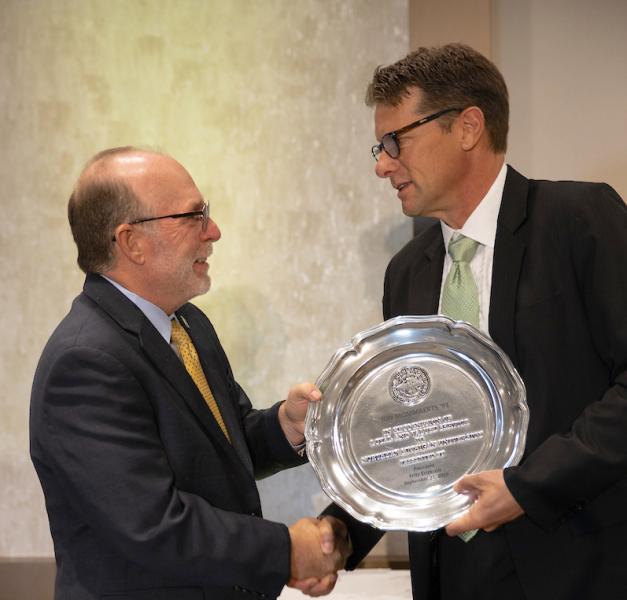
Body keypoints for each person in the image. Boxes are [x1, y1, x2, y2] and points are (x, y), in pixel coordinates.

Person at [323, 43, 627, 599]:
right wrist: (338, 534)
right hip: (452, 574)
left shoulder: (578, 221)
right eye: (379, 145)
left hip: (575, 564)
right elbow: (412, 432)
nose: (381, 164)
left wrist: (525, 488)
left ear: (466, 127)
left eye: (396, 141)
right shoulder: (406, 272)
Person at [30, 147, 349, 600]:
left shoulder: (187, 324)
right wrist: (287, 551)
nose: (213, 232)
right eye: (193, 216)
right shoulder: (85, 362)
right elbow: (153, 525)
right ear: (132, 242)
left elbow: (223, 445)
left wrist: (287, 426)